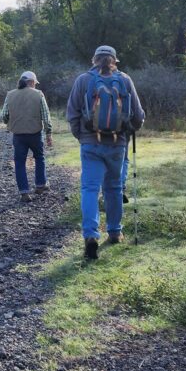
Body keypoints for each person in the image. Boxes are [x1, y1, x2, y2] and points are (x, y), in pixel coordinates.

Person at [66, 45, 145, 260]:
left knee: (90, 189)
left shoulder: (83, 80)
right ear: (114, 60)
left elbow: (72, 113)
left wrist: (81, 136)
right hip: (117, 145)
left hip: (90, 143)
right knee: (114, 188)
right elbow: (138, 115)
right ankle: (115, 232)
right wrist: (129, 131)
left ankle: (91, 235)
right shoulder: (125, 79)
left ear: (94, 59)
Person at [1, 70, 53, 202]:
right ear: (31, 82)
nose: (35, 85)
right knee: (39, 158)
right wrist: (48, 133)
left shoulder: (10, 95)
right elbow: (46, 116)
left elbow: (4, 116)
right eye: (34, 83)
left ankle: (24, 192)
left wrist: (11, 122)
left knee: (19, 163)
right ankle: (40, 185)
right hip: (35, 133)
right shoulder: (38, 94)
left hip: (18, 135)